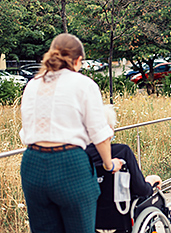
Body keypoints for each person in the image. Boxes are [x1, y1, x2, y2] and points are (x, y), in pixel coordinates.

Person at [19, 33, 122, 233]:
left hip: (32, 165)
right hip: (69, 165)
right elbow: (100, 134)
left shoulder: (32, 85)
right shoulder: (83, 84)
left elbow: (25, 132)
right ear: (77, 60)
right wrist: (109, 165)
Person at [85, 105, 162, 232]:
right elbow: (141, 189)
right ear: (109, 129)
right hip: (121, 219)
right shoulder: (122, 152)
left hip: (91, 220)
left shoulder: (81, 155)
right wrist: (150, 181)